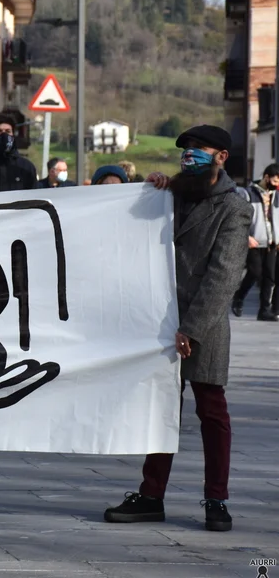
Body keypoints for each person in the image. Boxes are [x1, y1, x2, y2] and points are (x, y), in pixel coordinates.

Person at [104, 125, 249, 533]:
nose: (189, 155)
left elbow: (224, 274)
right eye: (186, 149)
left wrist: (192, 329)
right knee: (162, 409)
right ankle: (151, 495)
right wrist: (149, 188)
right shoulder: (171, 193)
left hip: (203, 325)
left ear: (221, 156)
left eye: (199, 148)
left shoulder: (233, 207)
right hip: (160, 321)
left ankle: (217, 499)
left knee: (212, 411)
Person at [232, 164, 279, 321]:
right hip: (254, 241)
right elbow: (238, 218)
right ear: (266, 177)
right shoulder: (248, 193)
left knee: (269, 277)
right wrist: (246, 237)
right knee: (255, 272)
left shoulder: (276, 196)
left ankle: (264, 310)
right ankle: (239, 296)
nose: (276, 184)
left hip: (271, 242)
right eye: (275, 180)